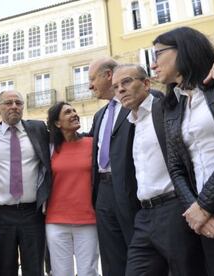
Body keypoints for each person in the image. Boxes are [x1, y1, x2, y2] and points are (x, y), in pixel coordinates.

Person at [112, 63, 207, 276]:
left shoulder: (166, 110)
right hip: (144, 215)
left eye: (126, 82)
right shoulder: (131, 122)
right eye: (115, 86)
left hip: (174, 209)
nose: (120, 90)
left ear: (146, 83)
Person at [151, 26, 214, 276]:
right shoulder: (172, 105)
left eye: (158, 54)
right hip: (207, 218)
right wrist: (196, 211)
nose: (153, 64)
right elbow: (176, 166)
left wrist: (203, 206)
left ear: (183, 49)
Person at [0, 90, 51, 276]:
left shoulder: (38, 129)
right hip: (1, 216)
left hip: (33, 214)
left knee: (35, 268)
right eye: (8, 103)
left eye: (18, 103)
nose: (14, 106)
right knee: (4, 269)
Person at [87, 58, 139, 276]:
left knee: (138, 253)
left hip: (131, 190)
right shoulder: (100, 115)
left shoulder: (139, 103)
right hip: (104, 193)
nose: (90, 85)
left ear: (109, 75)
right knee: (111, 256)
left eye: (92, 79)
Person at [46, 102, 98, 276]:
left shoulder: (92, 144)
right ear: (57, 123)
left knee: (88, 272)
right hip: (56, 221)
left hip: (88, 220)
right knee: (61, 273)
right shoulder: (50, 149)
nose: (74, 114)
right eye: (68, 112)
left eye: (74, 110)